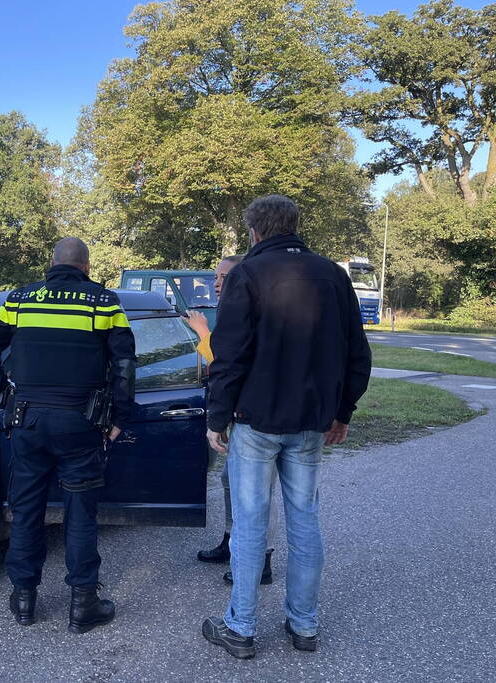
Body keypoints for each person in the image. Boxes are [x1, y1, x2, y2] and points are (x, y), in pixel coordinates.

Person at [200, 195, 372, 659]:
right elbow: (358, 352)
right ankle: (304, 624)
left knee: (250, 523)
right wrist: (343, 412)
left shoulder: (248, 274)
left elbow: (229, 353)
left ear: (254, 231)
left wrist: (217, 417)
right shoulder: (333, 276)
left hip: (256, 421)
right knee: (304, 520)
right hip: (311, 422)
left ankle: (241, 626)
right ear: (294, 225)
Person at [0, 237, 136, 633]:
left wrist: (2, 394)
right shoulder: (104, 302)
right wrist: (120, 416)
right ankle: (83, 603)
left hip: (27, 421)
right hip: (81, 423)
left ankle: (24, 599)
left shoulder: (20, 300)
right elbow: (125, 364)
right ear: (86, 266)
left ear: (51, 264)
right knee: (80, 513)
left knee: (26, 509)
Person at [187, 255, 279, 587]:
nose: (216, 283)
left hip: (259, 418)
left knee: (258, 491)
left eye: (224, 277)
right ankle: (231, 541)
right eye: (215, 277)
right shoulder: (231, 309)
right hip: (239, 415)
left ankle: (262, 559)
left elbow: (225, 362)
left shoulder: (248, 310)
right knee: (230, 479)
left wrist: (202, 332)